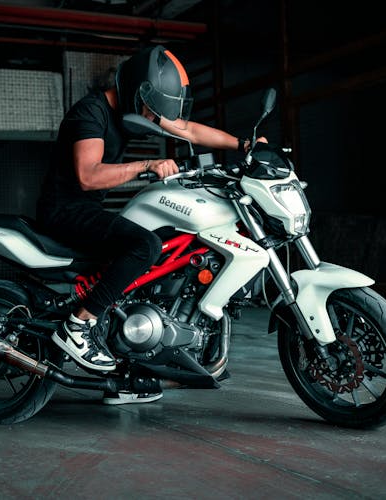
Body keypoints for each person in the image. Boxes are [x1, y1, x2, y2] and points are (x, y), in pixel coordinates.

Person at [36, 45, 255, 405]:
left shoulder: (133, 108)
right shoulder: (89, 113)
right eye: (153, 113)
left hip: (86, 212)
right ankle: (78, 325)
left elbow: (189, 130)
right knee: (145, 246)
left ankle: (134, 364)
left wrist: (243, 145)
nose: (156, 121)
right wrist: (147, 165)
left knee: (167, 246)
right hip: (64, 212)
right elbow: (88, 176)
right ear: (138, 92)